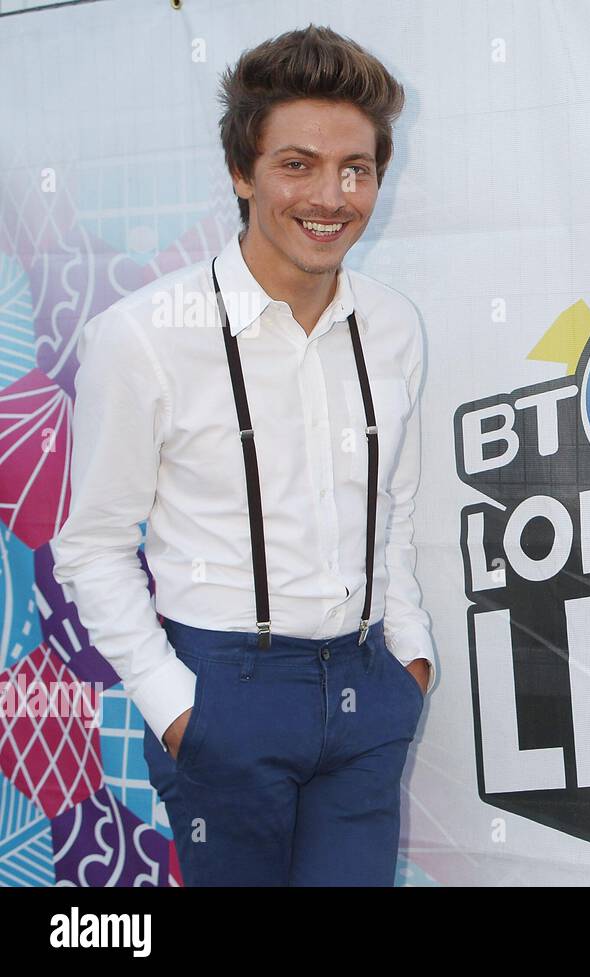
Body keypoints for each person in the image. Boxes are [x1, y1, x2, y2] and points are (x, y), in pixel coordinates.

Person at [50, 24, 436, 886]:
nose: (331, 195)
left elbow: (395, 511)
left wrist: (407, 657)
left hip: (368, 687)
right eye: (296, 164)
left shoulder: (394, 324)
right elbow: (93, 544)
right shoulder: (144, 336)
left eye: (357, 168)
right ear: (241, 171)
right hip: (224, 686)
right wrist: (177, 706)